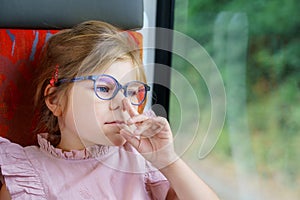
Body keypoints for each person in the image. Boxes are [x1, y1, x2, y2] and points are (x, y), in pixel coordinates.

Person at [0, 20, 219, 200]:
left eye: (133, 92)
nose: (123, 104)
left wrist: (168, 161)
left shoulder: (141, 161)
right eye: (104, 88)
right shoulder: (28, 178)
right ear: (54, 99)